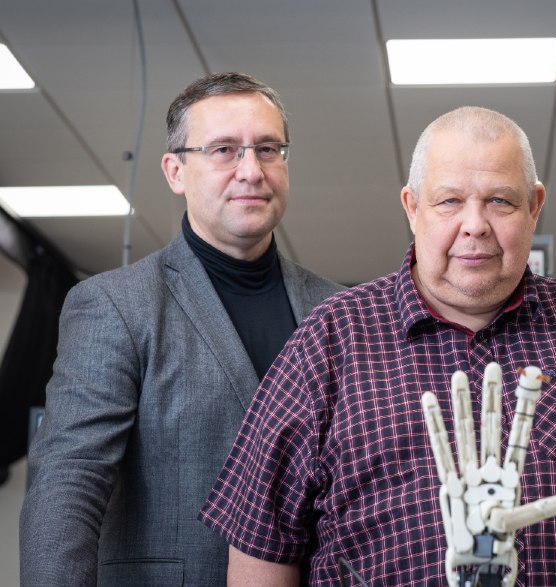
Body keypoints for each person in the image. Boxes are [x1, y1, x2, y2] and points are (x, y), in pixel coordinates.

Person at [199, 106, 556, 586]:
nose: (475, 224)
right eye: (449, 201)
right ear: (412, 207)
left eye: (500, 201)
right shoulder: (330, 340)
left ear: (534, 207)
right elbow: (261, 540)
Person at [19, 72, 344, 586]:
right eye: (223, 150)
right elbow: (69, 480)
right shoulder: (115, 306)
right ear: (175, 171)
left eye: (267, 149)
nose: (251, 170)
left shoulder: (339, 312)